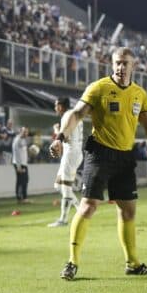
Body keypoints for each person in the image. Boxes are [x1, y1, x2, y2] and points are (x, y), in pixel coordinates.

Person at [50, 47, 147, 281]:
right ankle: (72, 262)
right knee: (88, 206)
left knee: (128, 210)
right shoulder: (99, 88)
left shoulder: (139, 93)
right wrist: (60, 138)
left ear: (133, 66)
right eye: (117, 62)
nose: (121, 67)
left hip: (125, 157)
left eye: (125, 63)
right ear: (112, 64)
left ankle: (132, 263)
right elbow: (76, 114)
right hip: (100, 153)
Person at [48, 97, 83, 227]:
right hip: (72, 153)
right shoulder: (74, 115)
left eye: (56, 105)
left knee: (66, 187)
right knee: (58, 186)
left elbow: (66, 137)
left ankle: (63, 220)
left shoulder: (67, 116)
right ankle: (81, 210)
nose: (55, 108)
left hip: (71, 154)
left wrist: (57, 131)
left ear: (62, 106)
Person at [12, 127, 30, 203]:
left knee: (25, 180)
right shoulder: (17, 140)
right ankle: (20, 198)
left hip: (24, 163)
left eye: (27, 132)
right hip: (19, 164)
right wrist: (19, 167)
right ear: (21, 131)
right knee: (21, 181)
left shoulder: (23, 140)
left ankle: (24, 198)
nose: (26, 133)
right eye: (25, 132)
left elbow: (23, 152)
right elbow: (16, 153)